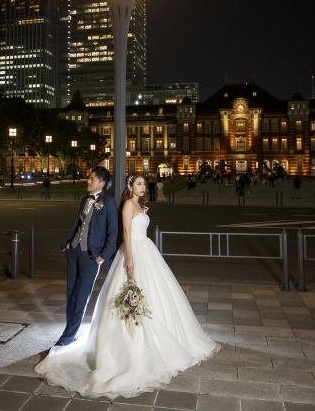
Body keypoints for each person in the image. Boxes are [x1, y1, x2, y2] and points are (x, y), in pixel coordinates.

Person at [35, 173, 219, 399]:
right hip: (133, 253)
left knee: (156, 293)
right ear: (130, 187)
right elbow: (124, 233)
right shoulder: (127, 205)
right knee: (114, 293)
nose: (143, 188)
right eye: (139, 184)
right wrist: (130, 257)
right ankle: (81, 337)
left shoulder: (140, 206)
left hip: (147, 251)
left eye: (144, 184)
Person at [52, 166, 118, 347]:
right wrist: (69, 242)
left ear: (101, 183)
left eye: (91, 179)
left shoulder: (109, 202)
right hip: (73, 252)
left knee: (82, 297)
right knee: (71, 295)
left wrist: (102, 257)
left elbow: (113, 232)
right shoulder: (85, 199)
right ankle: (70, 333)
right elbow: (79, 225)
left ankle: (66, 338)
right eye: (89, 178)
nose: (88, 181)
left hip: (91, 257)